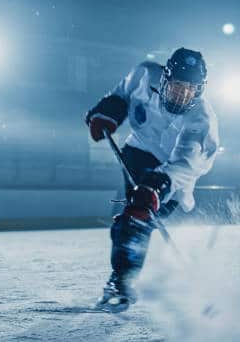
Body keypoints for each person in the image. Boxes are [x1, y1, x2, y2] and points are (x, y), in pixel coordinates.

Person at [85, 47, 219, 311]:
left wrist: (155, 188)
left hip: (174, 177)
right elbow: (121, 94)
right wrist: (107, 113)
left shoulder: (201, 121)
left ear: (199, 90)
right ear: (165, 78)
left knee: (136, 222)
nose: (182, 94)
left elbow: (186, 164)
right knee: (125, 220)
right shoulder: (144, 75)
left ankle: (122, 280)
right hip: (137, 153)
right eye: (178, 86)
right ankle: (122, 278)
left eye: (189, 89)